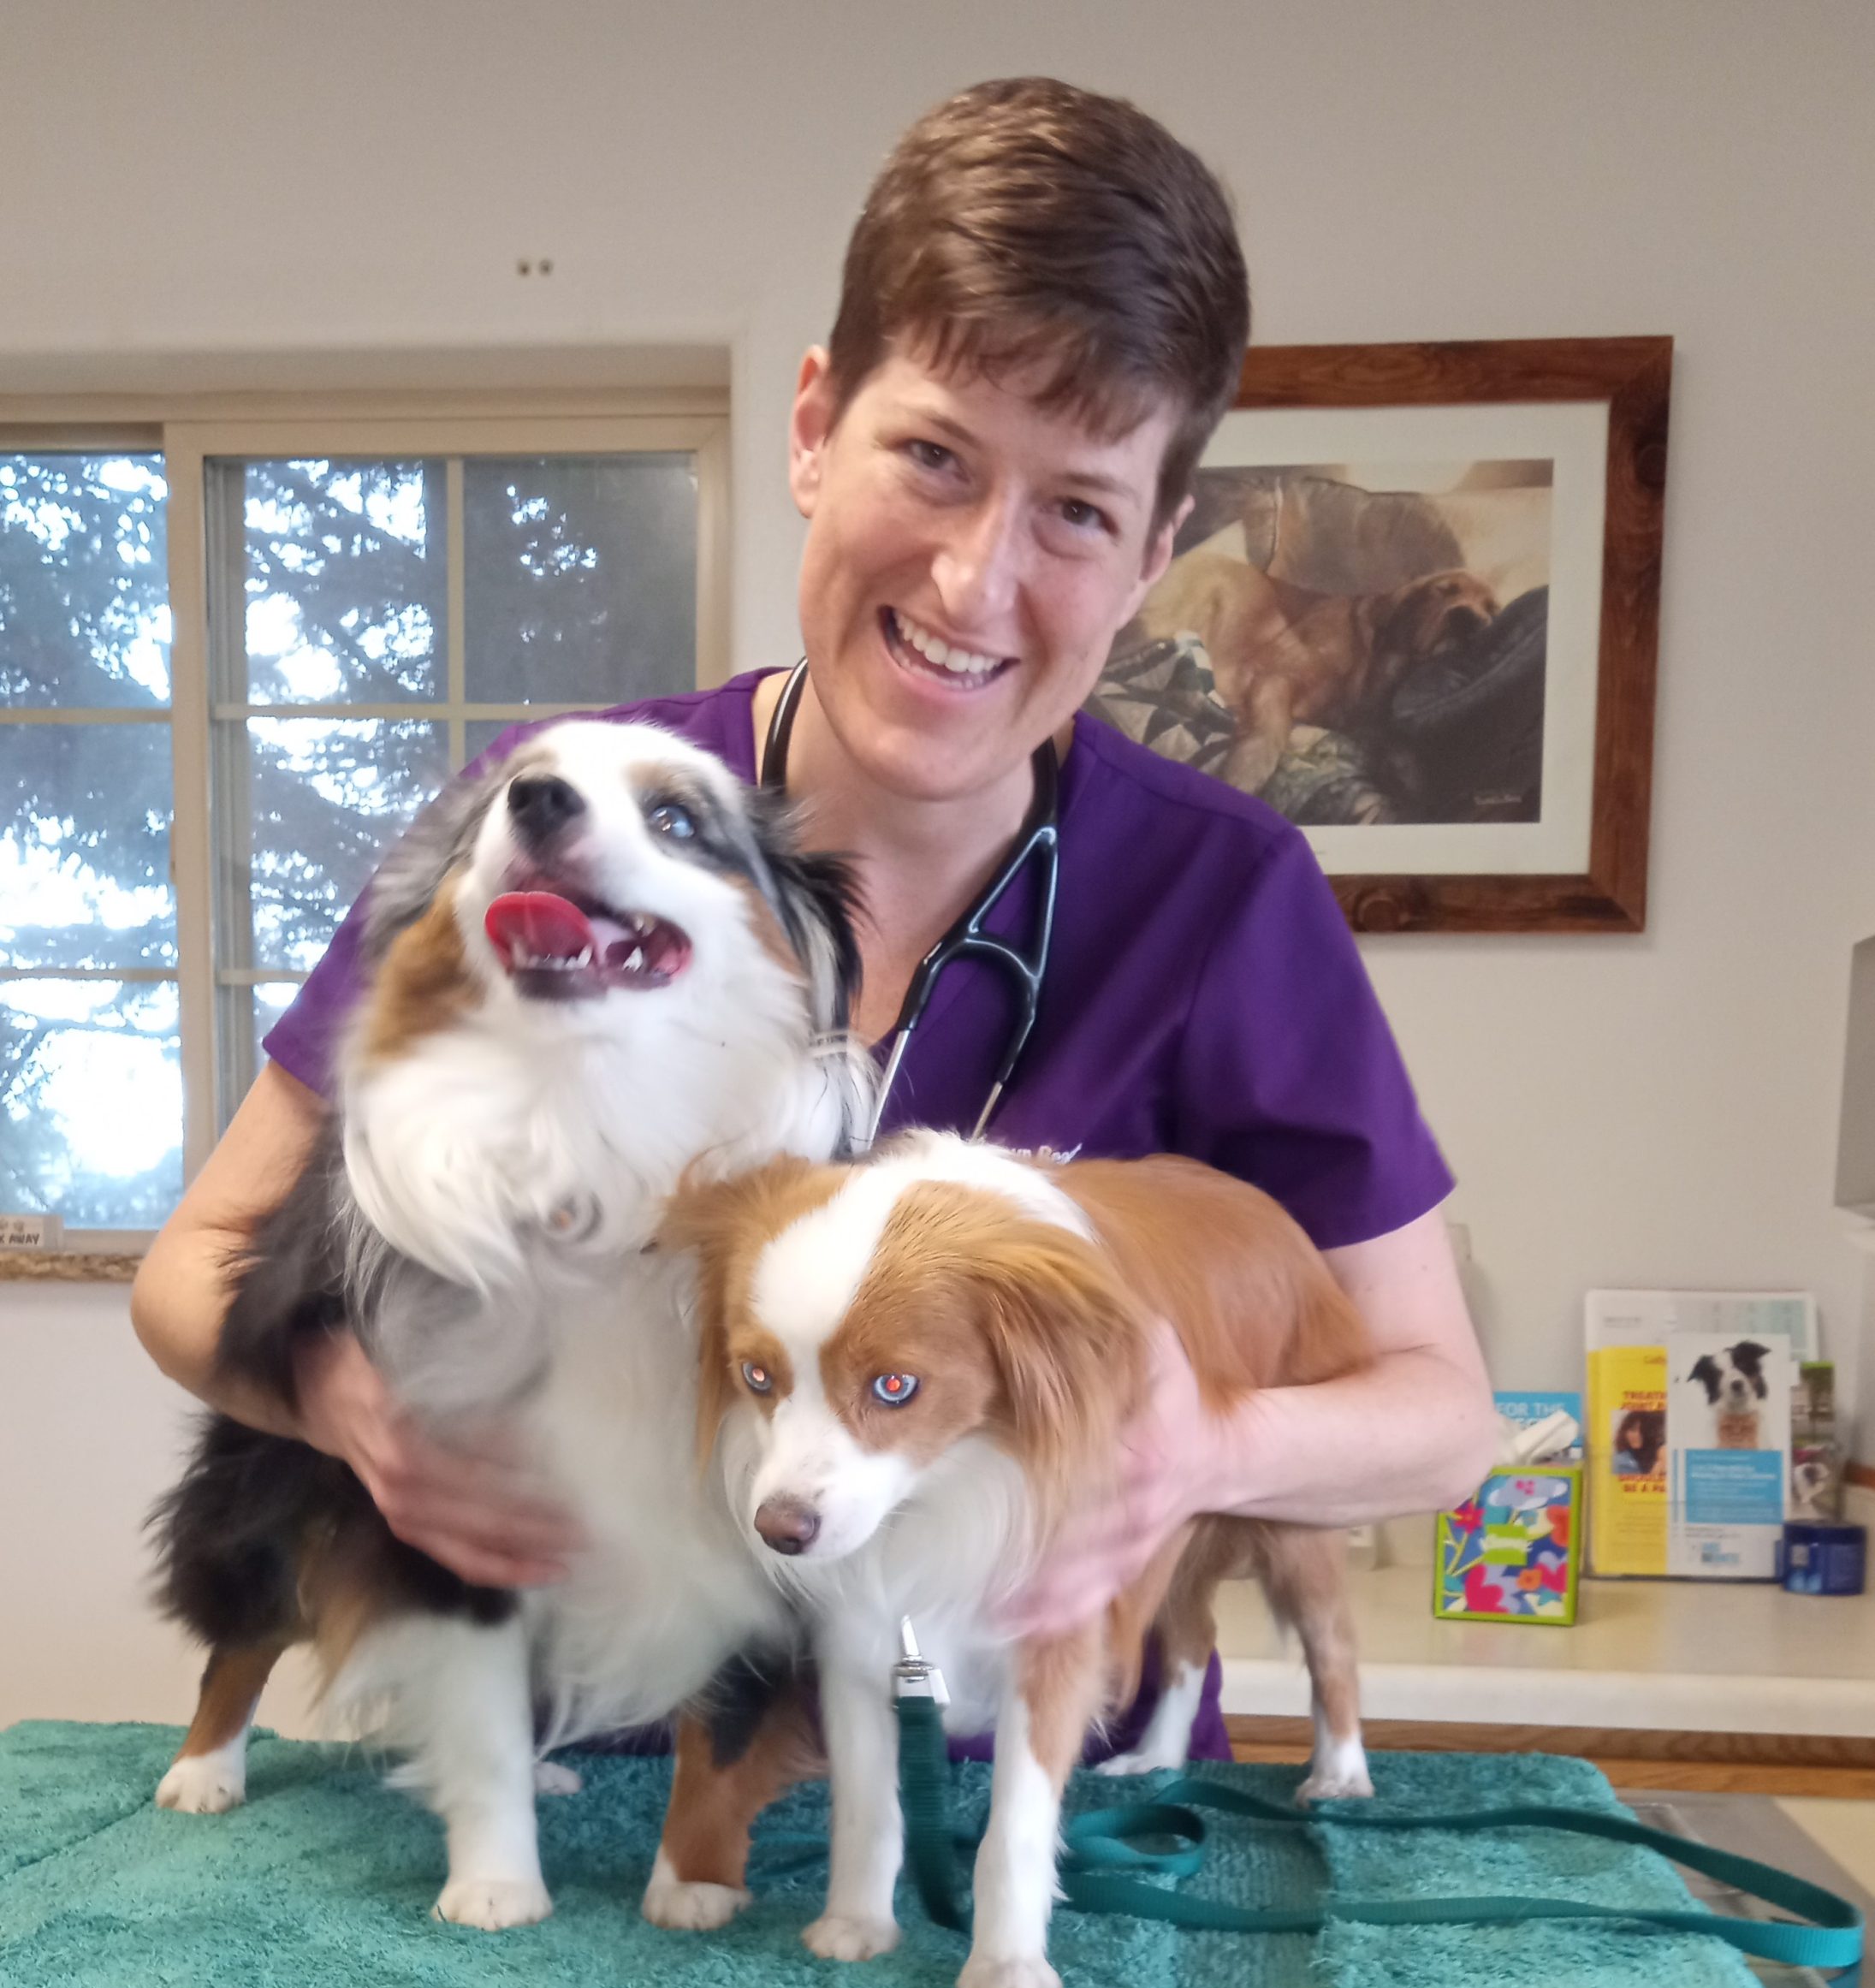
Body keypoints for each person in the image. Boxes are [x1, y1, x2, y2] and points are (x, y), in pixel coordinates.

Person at [133, 77, 1496, 1770]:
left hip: (1032, 1817)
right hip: (595, 1799)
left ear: (1156, 553)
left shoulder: (1221, 892)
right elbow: (190, 1271)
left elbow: (1442, 1416)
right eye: (932, 457)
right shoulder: (554, 819)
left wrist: (1199, 1449)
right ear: (811, 426)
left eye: (1076, 510)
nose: (973, 581)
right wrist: (358, 1415)